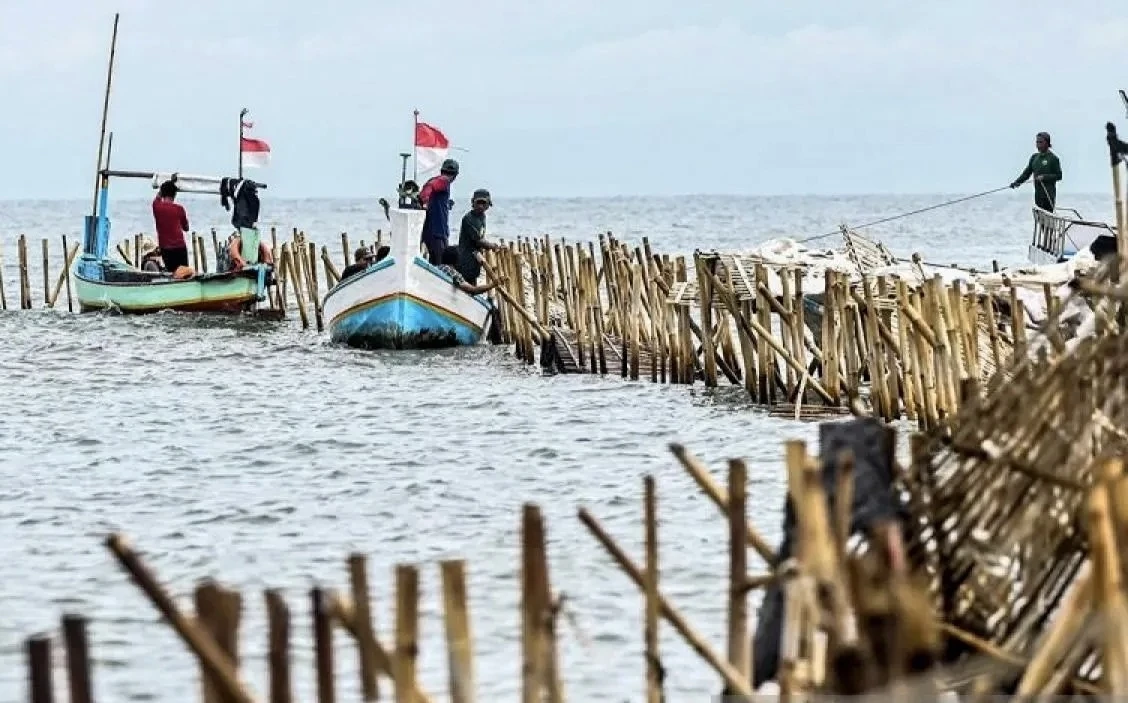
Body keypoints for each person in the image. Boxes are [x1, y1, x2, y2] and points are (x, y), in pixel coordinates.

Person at [418, 159, 460, 265]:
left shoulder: (439, 182)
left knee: (435, 263)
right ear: (455, 175)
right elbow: (430, 187)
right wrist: (425, 200)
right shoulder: (444, 180)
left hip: (432, 231)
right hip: (437, 232)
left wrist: (447, 204)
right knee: (440, 264)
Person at [457, 189, 500, 286]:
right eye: (478, 203)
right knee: (467, 281)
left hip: (475, 258)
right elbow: (478, 241)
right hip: (466, 258)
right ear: (473, 203)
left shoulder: (482, 217)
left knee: (473, 279)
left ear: (488, 204)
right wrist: (493, 246)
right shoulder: (469, 218)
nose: (480, 206)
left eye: (483, 203)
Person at [1010, 131, 1062, 212]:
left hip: (1048, 195)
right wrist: (1017, 183)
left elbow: (1059, 176)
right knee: (1040, 219)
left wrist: (1044, 177)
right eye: (1037, 142)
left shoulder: (1053, 158)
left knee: (1048, 220)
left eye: (1041, 142)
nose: (1038, 144)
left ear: (1047, 143)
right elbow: (1026, 174)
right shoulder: (1034, 157)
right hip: (1038, 194)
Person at [152, 180, 191, 272]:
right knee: (184, 274)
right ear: (175, 195)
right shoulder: (180, 209)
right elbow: (186, 228)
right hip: (180, 247)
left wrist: (162, 189)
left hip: (166, 249)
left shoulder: (156, 206)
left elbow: (157, 197)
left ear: (162, 193)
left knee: (172, 274)